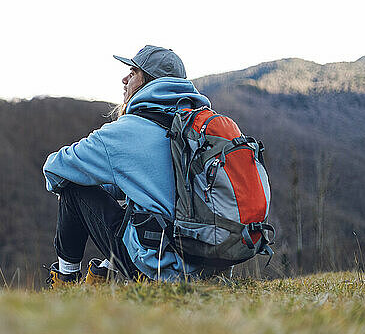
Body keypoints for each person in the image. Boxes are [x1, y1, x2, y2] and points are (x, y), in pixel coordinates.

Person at [42, 45, 227, 287]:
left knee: (73, 187)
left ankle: (65, 281)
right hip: (207, 265)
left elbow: (55, 168)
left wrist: (72, 185)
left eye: (132, 72)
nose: (124, 78)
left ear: (148, 80)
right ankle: (103, 274)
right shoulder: (195, 129)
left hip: (158, 269)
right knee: (136, 203)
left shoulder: (126, 132)